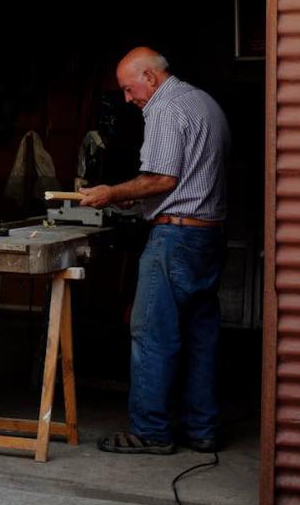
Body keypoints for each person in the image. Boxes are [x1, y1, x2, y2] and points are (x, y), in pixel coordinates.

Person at [79, 47, 229, 455]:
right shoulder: (204, 103)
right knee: (200, 336)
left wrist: (111, 191)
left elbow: (163, 177)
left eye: (129, 89)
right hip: (206, 236)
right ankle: (203, 429)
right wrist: (134, 200)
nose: (127, 99)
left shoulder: (164, 108)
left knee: (151, 334)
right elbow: (187, 177)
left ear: (150, 76)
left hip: (175, 239)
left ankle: (150, 431)